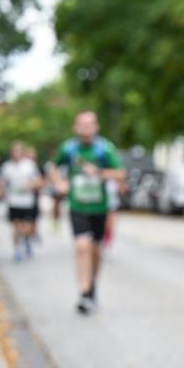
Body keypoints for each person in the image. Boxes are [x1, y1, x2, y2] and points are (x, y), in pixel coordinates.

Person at [48, 111, 125, 314]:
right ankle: (83, 292)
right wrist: (60, 183)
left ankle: (92, 287)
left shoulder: (104, 149)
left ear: (96, 127)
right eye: (82, 124)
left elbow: (120, 173)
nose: (86, 128)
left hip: (99, 207)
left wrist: (99, 173)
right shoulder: (69, 149)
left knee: (95, 250)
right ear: (75, 127)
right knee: (82, 246)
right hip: (77, 206)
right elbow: (53, 167)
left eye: (90, 124)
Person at [0, 142, 43, 262]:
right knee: (16, 227)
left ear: (22, 152)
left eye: (18, 151)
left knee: (27, 227)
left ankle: (26, 239)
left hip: (27, 201)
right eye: (14, 151)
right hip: (14, 201)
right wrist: (3, 192)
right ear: (11, 153)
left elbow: (39, 181)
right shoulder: (7, 166)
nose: (16, 153)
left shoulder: (30, 165)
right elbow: (2, 181)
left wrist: (30, 185)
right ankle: (17, 250)